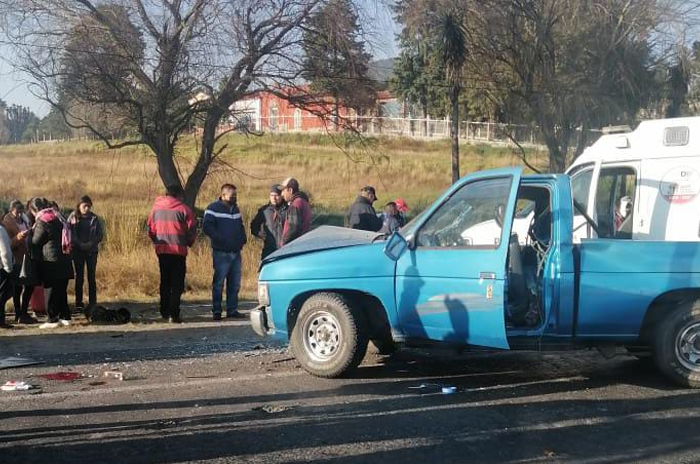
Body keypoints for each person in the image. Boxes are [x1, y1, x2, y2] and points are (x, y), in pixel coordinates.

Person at [147, 185, 196, 323]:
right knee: (177, 284)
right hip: (179, 251)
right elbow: (192, 230)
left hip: (162, 250)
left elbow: (150, 229)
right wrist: (188, 242)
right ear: (179, 195)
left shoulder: (155, 209)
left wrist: (157, 241)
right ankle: (174, 314)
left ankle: (164, 311)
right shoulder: (184, 209)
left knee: (165, 281)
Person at [202, 184, 247, 321]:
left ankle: (232, 309)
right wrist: (220, 240)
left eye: (235, 195)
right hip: (221, 252)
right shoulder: (212, 209)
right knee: (219, 283)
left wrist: (243, 239)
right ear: (223, 195)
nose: (234, 198)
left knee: (234, 283)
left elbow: (240, 226)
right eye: (232, 196)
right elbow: (207, 227)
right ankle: (216, 310)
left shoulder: (236, 209)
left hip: (236, 251)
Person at [31, 198, 74, 329]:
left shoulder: (43, 221)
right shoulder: (58, 216)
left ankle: (52, 319)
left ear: (35, 210)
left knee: (50, 290)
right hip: (65, 258)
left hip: (51, 261)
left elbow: (36, 242)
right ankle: (65, 317)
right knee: (61, 290)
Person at [2, 200, 37, 324]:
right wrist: (19, 237)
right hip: (17, 258)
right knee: (17, 287)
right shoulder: (7, 223)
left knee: (30, 285)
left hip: (27, 257)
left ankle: (24, 311)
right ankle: (18, 313)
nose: (19, 214)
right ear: (11, 211)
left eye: (21, 211)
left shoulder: (25, 219)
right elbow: (8, 244)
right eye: (17, 212)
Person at [68, 195, 104, 314]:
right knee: (79, 277)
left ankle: (93, 302)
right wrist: (80, 244)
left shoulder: (94, 218)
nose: (87, 208)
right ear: (79, 206)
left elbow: (100, 235)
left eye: (89, 206)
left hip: (91, 251)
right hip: (78, 251)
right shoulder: (73, 217)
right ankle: (79, 303)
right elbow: (70, 234)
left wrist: (90, 243)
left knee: (91, 277)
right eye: (85, 206)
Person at [250, 184, 286, 260]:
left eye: (276, 195)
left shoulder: (288, 210)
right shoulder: (264, 210)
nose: (274, 198)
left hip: (284, 250)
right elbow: (253, 226)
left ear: (281, 196)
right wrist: (259, 233)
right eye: (272, 195)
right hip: (269, 250)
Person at [279, 177, 312, 246]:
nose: (282, 194)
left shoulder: (296, 204)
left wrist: (283, 244)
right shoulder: (304, 202)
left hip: (294, 247)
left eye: (283, 190)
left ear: (290, 190)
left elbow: (293, 228)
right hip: (303, 244)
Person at [0, 223, 14, 329]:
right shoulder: (0, 230)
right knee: (1, 296)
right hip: (1, 268)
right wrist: (8, 268)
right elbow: (5, 252)